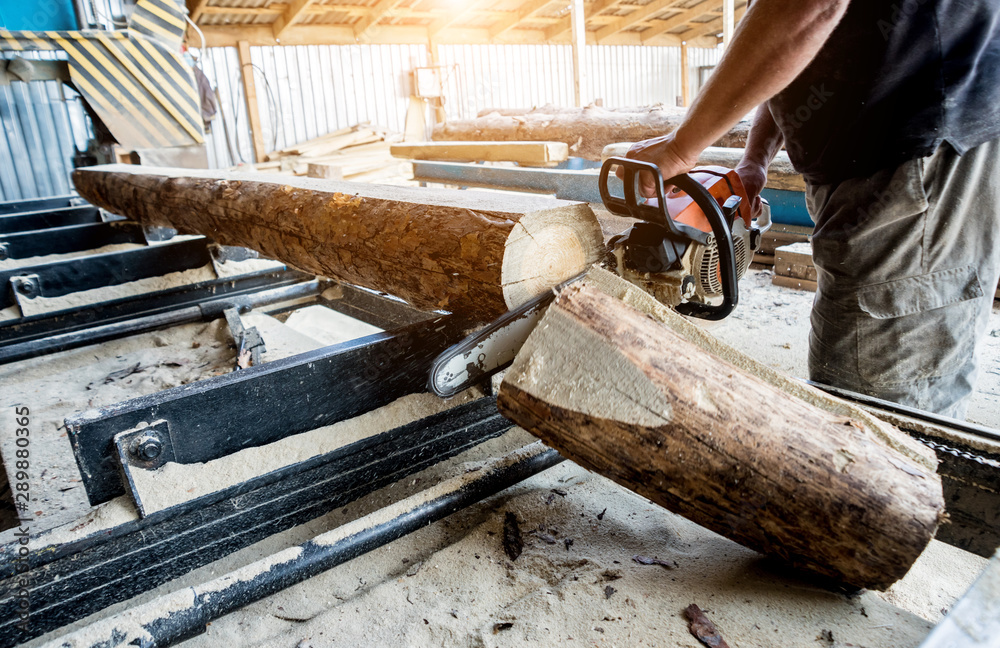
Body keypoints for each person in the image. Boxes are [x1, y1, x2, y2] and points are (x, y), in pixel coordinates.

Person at [624, 0, 1000, 419]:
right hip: (876, 156)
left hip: (920, 149)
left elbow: (806, 9)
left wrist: (682, 146)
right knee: (854, 371)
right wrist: (755, 162)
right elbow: (787, 47)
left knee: (874, 402)